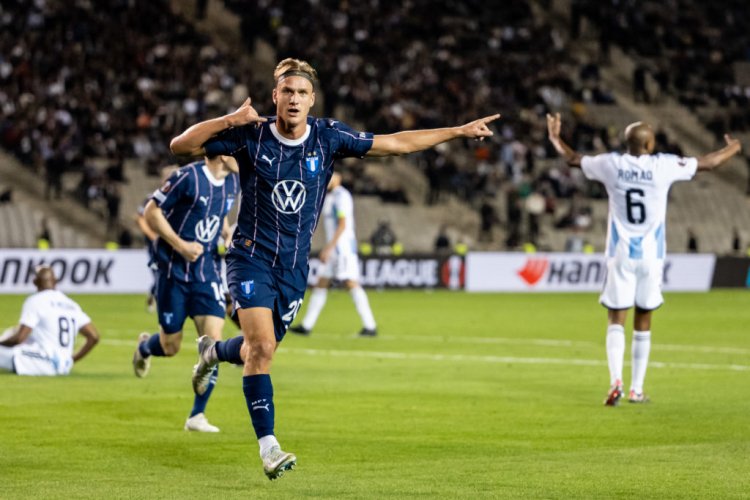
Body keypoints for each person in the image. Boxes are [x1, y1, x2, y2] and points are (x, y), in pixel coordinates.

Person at [169, 57, 499, 480]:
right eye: (286, 91)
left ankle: (212, 351)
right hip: (249, 257)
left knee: (255, 350)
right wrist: (231, 118)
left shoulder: (328, 137)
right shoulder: (249, 136)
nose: (293, 99)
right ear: (275, 97)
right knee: (264, 350)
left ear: (312, 101)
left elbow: (396, 143)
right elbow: (180, 146)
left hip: (293, 269)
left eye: (302, 93)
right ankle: (269, 448)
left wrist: (456, 131)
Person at [547, 112, 741, 406]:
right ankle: (637, 390)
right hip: (651, 254)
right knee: (644, 319)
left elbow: (573, 159)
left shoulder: (610, 164)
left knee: (616, 319)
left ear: (627, 144)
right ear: (650, 143)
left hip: (619, 253)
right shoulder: (663, 166)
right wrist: (734, 148)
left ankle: (616, 382)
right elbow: (710, 163)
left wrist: (555, 138)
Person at [131, 155, 239, 433]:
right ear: (224, 154)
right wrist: (180, 245)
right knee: (171, 346)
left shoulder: (233, 182)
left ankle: (196, 416)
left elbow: (221, 212)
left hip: (207, 273)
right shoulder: (188, 177)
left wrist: (226, 232)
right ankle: (145, 347)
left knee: (213, 342)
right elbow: (151, 212)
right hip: (173, 272)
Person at [289, 172, 377, 337]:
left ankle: (370, 326)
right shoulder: (329, 196)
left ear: (339, 177)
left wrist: (329, 247)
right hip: (335, 250)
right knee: (321, 283)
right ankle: (306, 326)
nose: (327, 178)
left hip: (342, 249)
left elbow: (343, 224)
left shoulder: (341, 196)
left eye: (331, 175)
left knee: (350, 283)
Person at [0, 266, 99, 375]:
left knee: (11, 338)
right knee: (13, 331)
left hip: (43, 363)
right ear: (56, 281)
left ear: (34, 282)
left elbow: (18, 339)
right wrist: (70, 360)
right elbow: (94, 336)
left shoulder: (35, 301)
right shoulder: (71, 304)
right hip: (63, 365)